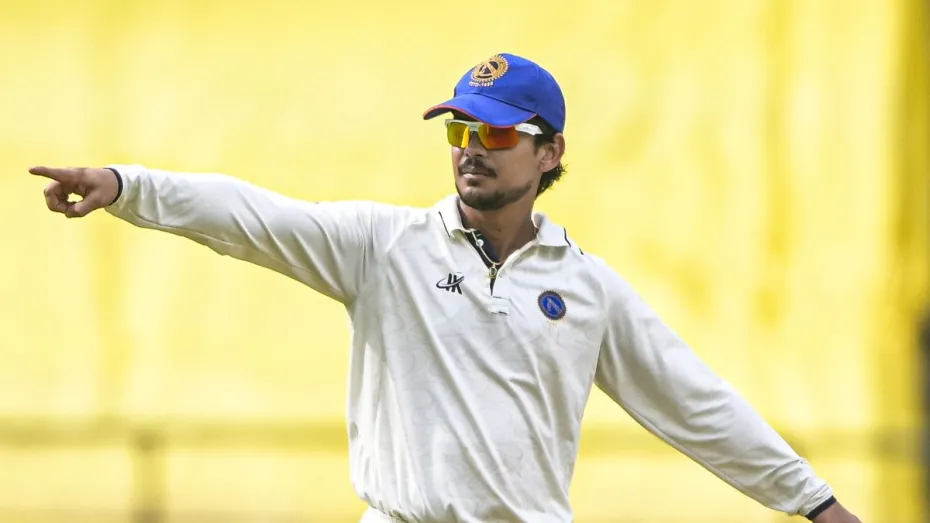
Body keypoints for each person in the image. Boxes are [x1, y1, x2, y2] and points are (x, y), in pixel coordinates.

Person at [29, 53, 862, 523]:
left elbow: (694, 400)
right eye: (460, 128)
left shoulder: (587, 288)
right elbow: (252, 215)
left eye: (495, 132)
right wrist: (126, 185)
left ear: (549, 152)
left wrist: (816, 503)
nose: (469, 148)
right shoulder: (384, 247)